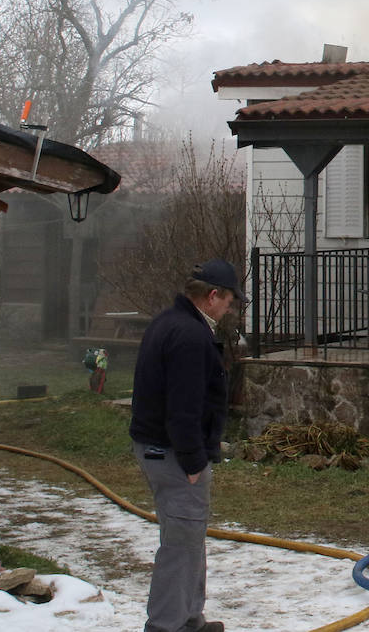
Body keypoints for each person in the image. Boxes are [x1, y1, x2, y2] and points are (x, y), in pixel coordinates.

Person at [129, 259, 241, 632]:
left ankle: (190, 620)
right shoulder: (190, 337)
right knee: (180, 546)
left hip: (159, 448)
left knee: (189, 539)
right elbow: (184, 407)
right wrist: (193, 461)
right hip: (173, 454)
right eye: (229, 301)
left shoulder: (170, 322)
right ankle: (165, 626)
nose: (230, 309)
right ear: (213, 296)